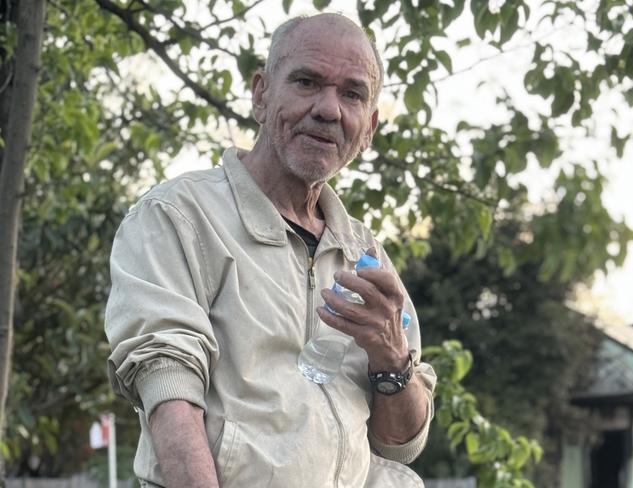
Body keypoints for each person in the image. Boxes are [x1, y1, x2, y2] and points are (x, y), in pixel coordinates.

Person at [105, 12, 437, 488]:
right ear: (261, 93)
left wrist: (392, 361)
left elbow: (400, 443)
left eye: (352, 94)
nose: (328, 109)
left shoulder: (366, 255)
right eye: (306, 82)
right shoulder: (178, 217)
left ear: (369, 127)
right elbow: (169, 391)